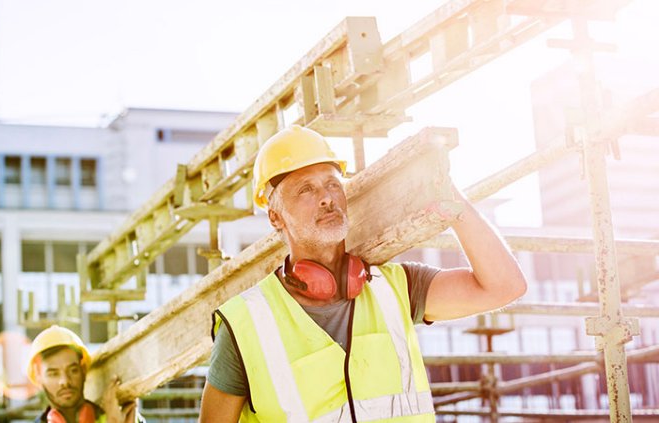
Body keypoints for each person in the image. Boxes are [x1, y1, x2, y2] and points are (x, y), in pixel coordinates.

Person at [198, 125, 527, 422]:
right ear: (275, 218)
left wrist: (446, 194)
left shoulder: (397, 289)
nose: (327, 198)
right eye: (306, 190)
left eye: (332, 184)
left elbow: (504, 286)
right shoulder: (245, 327)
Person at [27, 325, 141, 423]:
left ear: (83, 370)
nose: (65, 381)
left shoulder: (122, 415)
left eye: (73, 370)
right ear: (39, 378)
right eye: (53, 374)